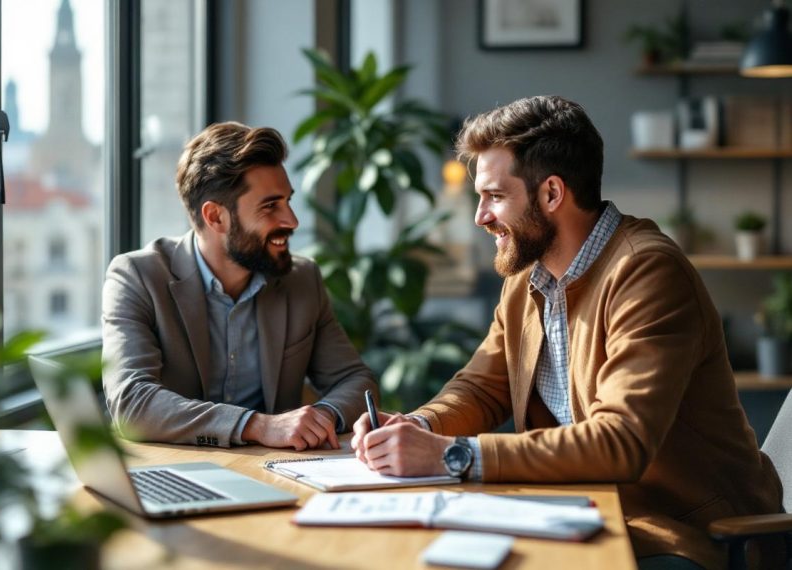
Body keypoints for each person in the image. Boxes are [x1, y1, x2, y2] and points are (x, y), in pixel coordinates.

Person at [351, 96, 784, 569]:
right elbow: (481, 388)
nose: (480, 216)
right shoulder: (526, 278)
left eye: (494, 196)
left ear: (552, 194)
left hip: (690, 536)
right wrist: (418, 426)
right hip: (589, 515)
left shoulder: (647, 273)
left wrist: (451, 455)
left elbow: (619, 441)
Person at [102, 121, 377, 451]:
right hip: (175, 473)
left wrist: (319, 419)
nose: (291, 220)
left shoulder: (301, 280)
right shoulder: (137, 277)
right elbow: (131, 404)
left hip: (274, 473)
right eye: (270, 206)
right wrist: (257, 426)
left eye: (288, 201)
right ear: (216, 217)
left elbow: (357, 382)